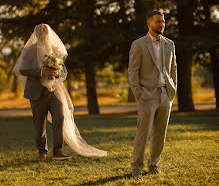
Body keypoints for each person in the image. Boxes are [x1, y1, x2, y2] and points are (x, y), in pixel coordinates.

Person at [13, 24, 107, 160]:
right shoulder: (29, 50)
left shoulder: (55, 50)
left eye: (45, 32)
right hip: (36, 92)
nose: (43, 35)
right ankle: (42, 152)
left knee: (60, 116)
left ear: (49, 34)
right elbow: (22, 69)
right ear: (36, 34)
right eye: (40, 32)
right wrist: (41, 72)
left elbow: (62, 70)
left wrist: (55, 73)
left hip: (54, 91)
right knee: (39, 124)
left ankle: (57, 151)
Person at [128, 10, 177, 178]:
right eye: (158, 22)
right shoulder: (139, 44)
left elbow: (173, 68)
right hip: (147, 94)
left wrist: (173, 88)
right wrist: (138, 93)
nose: (162, 24)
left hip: (165, 94)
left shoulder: (169, 44)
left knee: (160, 133)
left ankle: (154, 165)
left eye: (163, 21)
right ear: (149, 23)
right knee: (143, 133)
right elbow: (133, 71)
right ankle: (136, 168)